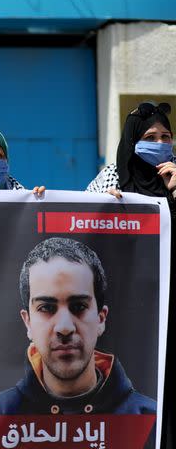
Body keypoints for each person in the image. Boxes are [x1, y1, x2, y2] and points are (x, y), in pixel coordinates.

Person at [0, 237, 156, 415]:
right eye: (46, 308)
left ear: (101, 319)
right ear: (28, 322)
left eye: (79, 307)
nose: (64, 327)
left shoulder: (152, 421)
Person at [86, 102, 174, 447]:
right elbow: (77, 231)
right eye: (150, 137)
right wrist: (103, 207)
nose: (161, 143)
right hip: (134, 314)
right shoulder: (110, 179)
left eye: (166, 136)